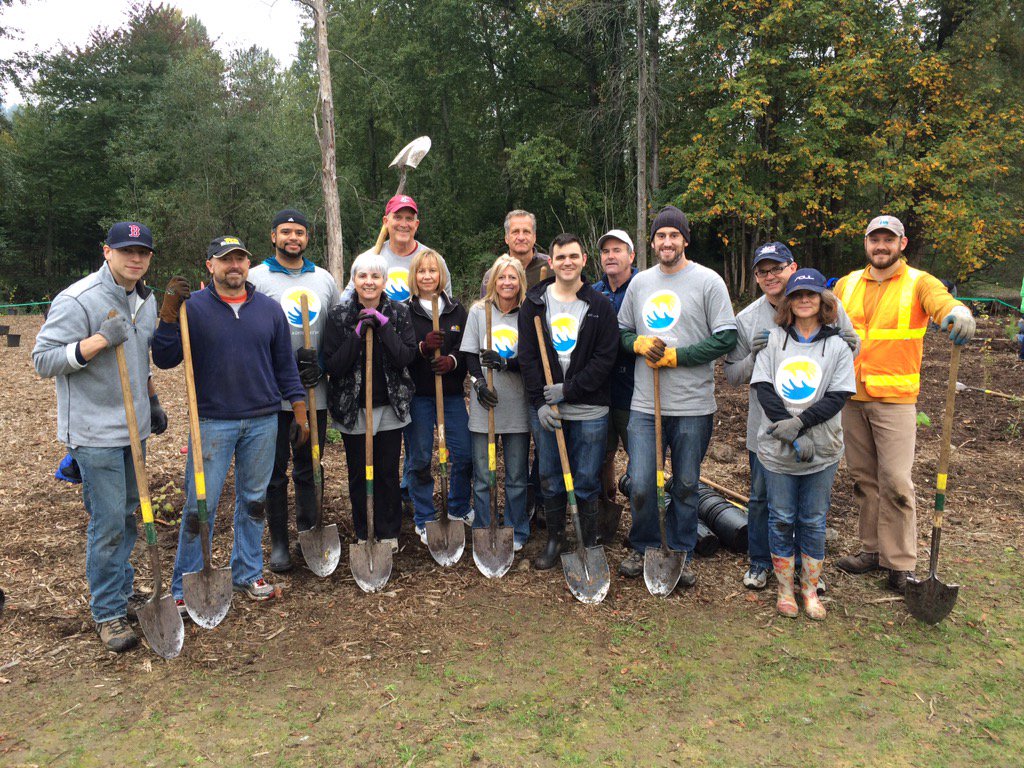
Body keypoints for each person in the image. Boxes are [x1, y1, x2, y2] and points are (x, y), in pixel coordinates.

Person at [153, 236, 308, 611]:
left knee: (253, 501)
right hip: (212, 421)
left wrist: (299, 408)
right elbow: (165, 358)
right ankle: (184, 584)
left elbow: (285, 366)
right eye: (226, 260)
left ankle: (247, 572)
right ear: (211, 265)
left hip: (262, 420)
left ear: (248, 264)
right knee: (199, 506)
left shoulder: (269, 310)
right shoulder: (193, 308)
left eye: (240, 259)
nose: (234, 265)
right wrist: (168, 317)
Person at [33, 221, 167, 652]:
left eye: (142, 252)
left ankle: (122, 591)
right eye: (126, 250)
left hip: (134, 427)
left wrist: (153, 400)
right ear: (106, 251)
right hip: (94, 432)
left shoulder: (145, 299)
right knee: (108, 521)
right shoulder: (78, 299)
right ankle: (108, 612)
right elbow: (42, 360)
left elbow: (140, 359)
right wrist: (94, 343)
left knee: (127, 514)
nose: (135, 258)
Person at [834, 215, 976, 593]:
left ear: (902, 243)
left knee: (896, 481)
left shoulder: (919, 282)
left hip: (895, 400)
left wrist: (958, 314)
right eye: (874, 239)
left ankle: (899, 563)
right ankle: (871, 550)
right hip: (851, 396)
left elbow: (943, 304)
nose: (881, 246)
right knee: (863, 479)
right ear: (866, 243)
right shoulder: (847, 283)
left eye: (888, 240)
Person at [724, 242, 859, 590]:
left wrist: (851, 343)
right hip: (767, 426)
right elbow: (732, 375)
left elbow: (848, 354)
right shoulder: (747, 319)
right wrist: (755, 356)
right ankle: (760, 561)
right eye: (762, 271)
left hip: (819, 426)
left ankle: (805, 566)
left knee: (809, 505)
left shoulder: (827, 306)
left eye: (777, 268)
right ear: (756, 277)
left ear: (792, 267)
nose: (770, 276)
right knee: (762, 498)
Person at [617, 206, 737, 584]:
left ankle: (681, 550)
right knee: (642, 482)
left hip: (692, 405)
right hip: (645, 405)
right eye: (661, 236)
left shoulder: (708, 282)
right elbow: (621, 332)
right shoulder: (640, 284)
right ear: (652, 242)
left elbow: (726, 337)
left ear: (685, 240)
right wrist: (636, 343)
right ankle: (644, 545)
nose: (667, 242)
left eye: (674, 235)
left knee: (685, 484)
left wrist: (678, 357)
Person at [751, 269, 856, 619]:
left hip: (822, 448)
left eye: (811, 294)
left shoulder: (837, 345)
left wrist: (801, 424)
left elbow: (838, 395)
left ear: (823, 300)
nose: (804, 300)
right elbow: (764, 387)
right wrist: (791, 431)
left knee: (813, 519)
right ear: (789, 302)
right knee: (781, 517)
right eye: (797, 295)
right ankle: (784, 589)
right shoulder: (773, 340)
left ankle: (809, 588)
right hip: (778, 449)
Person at [518, 233, 619, 568]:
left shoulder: (599, 305)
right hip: (548, 409)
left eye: (573, 256)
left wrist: (569, 389)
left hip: (589, 408)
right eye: (560, 257)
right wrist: (540, 402)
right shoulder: (534, 303)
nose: (567, 263)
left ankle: (587, 543)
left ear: (584, 260)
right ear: (551, 262)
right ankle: (556, 540)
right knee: (549, 476)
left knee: (586, 478)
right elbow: (527, 357)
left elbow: (605, 359)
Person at [249, 208, 341, 573]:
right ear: (273, 236)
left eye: (299, 232)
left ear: (307, 237)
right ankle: (278, 543)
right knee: (273, 472)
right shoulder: (256, 278)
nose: (293, 238)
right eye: (286, 232)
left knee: (308, 465)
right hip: (270, 396)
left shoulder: (323, 280)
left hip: (314, 392)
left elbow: (336, 330)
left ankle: (308, 532)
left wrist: (324, 364)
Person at [323, 252, 417, 552]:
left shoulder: (399, 313)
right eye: (362, 276)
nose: (369, 282)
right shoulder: (339, 315)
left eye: (376, 276)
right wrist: (357, 334)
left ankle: (388, 532)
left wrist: (384, 327)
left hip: (390, 407)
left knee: (387, 473)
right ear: (354, 280)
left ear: (384, 281)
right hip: (353, 409)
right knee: (359, 473)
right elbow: (333, 365)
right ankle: (364, 531)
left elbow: (405, 357)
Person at [461, 256, 532, 551]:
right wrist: (478, 384)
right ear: (493, 281)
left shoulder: (528, 313)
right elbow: (469, 354)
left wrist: (506, 362)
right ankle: (484, 526)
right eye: (501, 277)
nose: (507, 282)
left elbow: (531, 359)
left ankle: (516, 528)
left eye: (512, 277)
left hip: (517, 405)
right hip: (485, 406)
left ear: (520, 281)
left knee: (516, 476)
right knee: (482, 474)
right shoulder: (479, 311)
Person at [404, 249, 473, 543]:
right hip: (419, 396)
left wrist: (452, 361)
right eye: (422, 271)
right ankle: (424, 517)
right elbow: (401, 354)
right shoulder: (405, 312)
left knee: (465, 453)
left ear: (441, 275)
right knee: (419, 458)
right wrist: (422, 347)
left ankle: (458, 507)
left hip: (451, 395)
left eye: (432, 271)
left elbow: (466, 348)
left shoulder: (456, 311)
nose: (427, 276)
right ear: (414, 276)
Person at [592, 229, 638, 503]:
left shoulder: (643, 287)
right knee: (602, 455)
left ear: (631, 256)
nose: (610, 256)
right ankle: (606, 504)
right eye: (606, 251)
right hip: (599, 390)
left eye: (617, 250)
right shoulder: (593, 292)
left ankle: (641, 508)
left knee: (640, 457)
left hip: (633, 390)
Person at [353, 194, 447, 304]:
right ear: (386, 221)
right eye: (397, 217)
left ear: (416, 224)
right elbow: (347, 300)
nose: (403, 224)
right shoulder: (366, 260)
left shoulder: (435, 262)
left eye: (409, 218)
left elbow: (447, 306)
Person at [479, 210, 550, 295]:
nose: (521, 237)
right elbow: (486, 303)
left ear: (534, 237)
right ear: (506, 238)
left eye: (526, 232)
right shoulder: (492, 276)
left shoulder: (552, 267)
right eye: (515, 232)